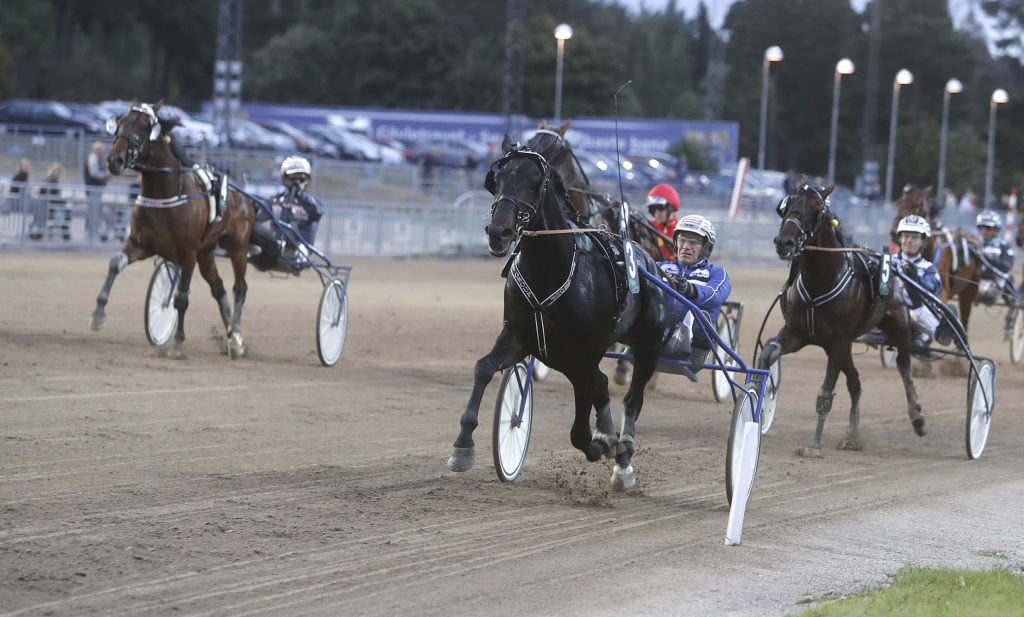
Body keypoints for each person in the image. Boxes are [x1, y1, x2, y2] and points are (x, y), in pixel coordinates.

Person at [656, 214, 732, 371]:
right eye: (682, 239)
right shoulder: (659, 267)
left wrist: (690, 289)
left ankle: (695, 346)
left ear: (706, 248)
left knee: (699, 315)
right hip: (656, 329)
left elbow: (715, 295)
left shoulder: (717, 273)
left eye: (694, 242)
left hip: (693, 343)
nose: (685, 246)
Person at [250, 156, 324, 271]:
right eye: (292, 178)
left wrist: (301, 197)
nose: (296, 182)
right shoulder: (276, 201)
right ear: (284, 179)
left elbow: (318, 212)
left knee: (291, 232)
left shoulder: (311, 202)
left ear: (307, 180)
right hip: (275, 245)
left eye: (301, 178)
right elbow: (260, 218)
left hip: (300, 248)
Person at [891, 215, 954, 347]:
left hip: (917, 312)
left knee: (919, 315)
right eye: (906, 236)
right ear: (900, 238)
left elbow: (928, 290)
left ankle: (940, 328)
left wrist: (915, 279)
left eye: (915, 237)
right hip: (890, 309)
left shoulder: (929, 268)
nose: (909, 241)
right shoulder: (889, 261)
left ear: (923, 241)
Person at [974, 211, 1016, 335]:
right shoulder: (972, 244)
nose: (984, 231)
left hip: (994, 284)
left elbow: (1007, 267)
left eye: (988, 228)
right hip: (973, 282)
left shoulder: (1003, 246)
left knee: (1009, 279)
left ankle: (1012, 312)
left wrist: (990, 258)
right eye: (981, 227)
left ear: (996, 230)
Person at [644, 183, 680, 260]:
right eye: (652, 208)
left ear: (670, 207)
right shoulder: (647, 226)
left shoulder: (681, 229)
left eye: (660, 207)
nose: (657, 212)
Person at [84, 141, 109, 242]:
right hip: (93, 190)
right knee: (93, 211)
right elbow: (94, 173)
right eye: (101, 150)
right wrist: (105, 175)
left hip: (95, 190)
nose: (102, 152)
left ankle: (91, 232)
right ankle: (90, 232)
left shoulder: (96, 159)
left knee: (94, 211)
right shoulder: (93, 158)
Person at [37, 163, 70, 241]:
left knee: (59, 214)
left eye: (59, 172)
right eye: (57, 171)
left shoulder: (52, 179)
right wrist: (63, 201)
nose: (58, 173)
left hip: (50, 203)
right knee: (66, 212)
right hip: (50, 203)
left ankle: (63, 232)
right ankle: (65, 233)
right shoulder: (51, 180)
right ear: (53, 171)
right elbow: (52, 194)